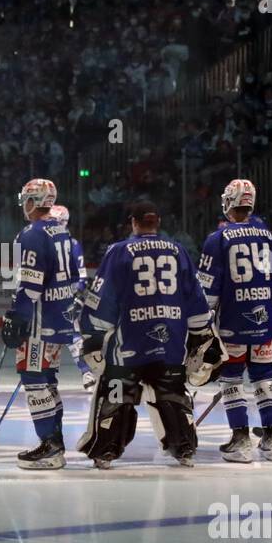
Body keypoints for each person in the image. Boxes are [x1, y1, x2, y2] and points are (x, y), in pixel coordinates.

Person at [78, 200, 214, 470]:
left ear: (133, 222)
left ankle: (105, 451)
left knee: (116, 394)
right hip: (171, 343)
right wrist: (201, 336)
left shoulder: (119, 251)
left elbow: (102, 301)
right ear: (158, 222)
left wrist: (92, 336)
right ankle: (184, 448)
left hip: (130, 345)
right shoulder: (178, 252)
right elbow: (196, 299)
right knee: (172, 393)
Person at [198, 179, 272, 463]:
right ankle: (271, 437)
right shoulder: (268, 236)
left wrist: (203, 326)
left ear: (229, 202)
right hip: (264, 321)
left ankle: (241, 440)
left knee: (231, 379)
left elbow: (208, 291)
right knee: (265, 377)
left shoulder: (218, 238)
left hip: (232, 323)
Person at [0, 180, 79, 469]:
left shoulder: (32, 233)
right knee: (48, 379)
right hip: (60, 317)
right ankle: (54, 439)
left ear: (34, 200)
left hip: (39, 321)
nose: (23, 205)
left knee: (33, 378)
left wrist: (17, 315)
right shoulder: (61, 231)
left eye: (26, 199)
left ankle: (50, 445)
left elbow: (31, 284)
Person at [49, 204, 96, 391]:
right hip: (49, 296)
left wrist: (77, 297)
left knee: (72, 334)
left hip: (66, 294)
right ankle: (45, 375)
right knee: (46, 336)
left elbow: (82, 276)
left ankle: (87, 372)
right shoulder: (45, 242)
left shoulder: (72, 244)